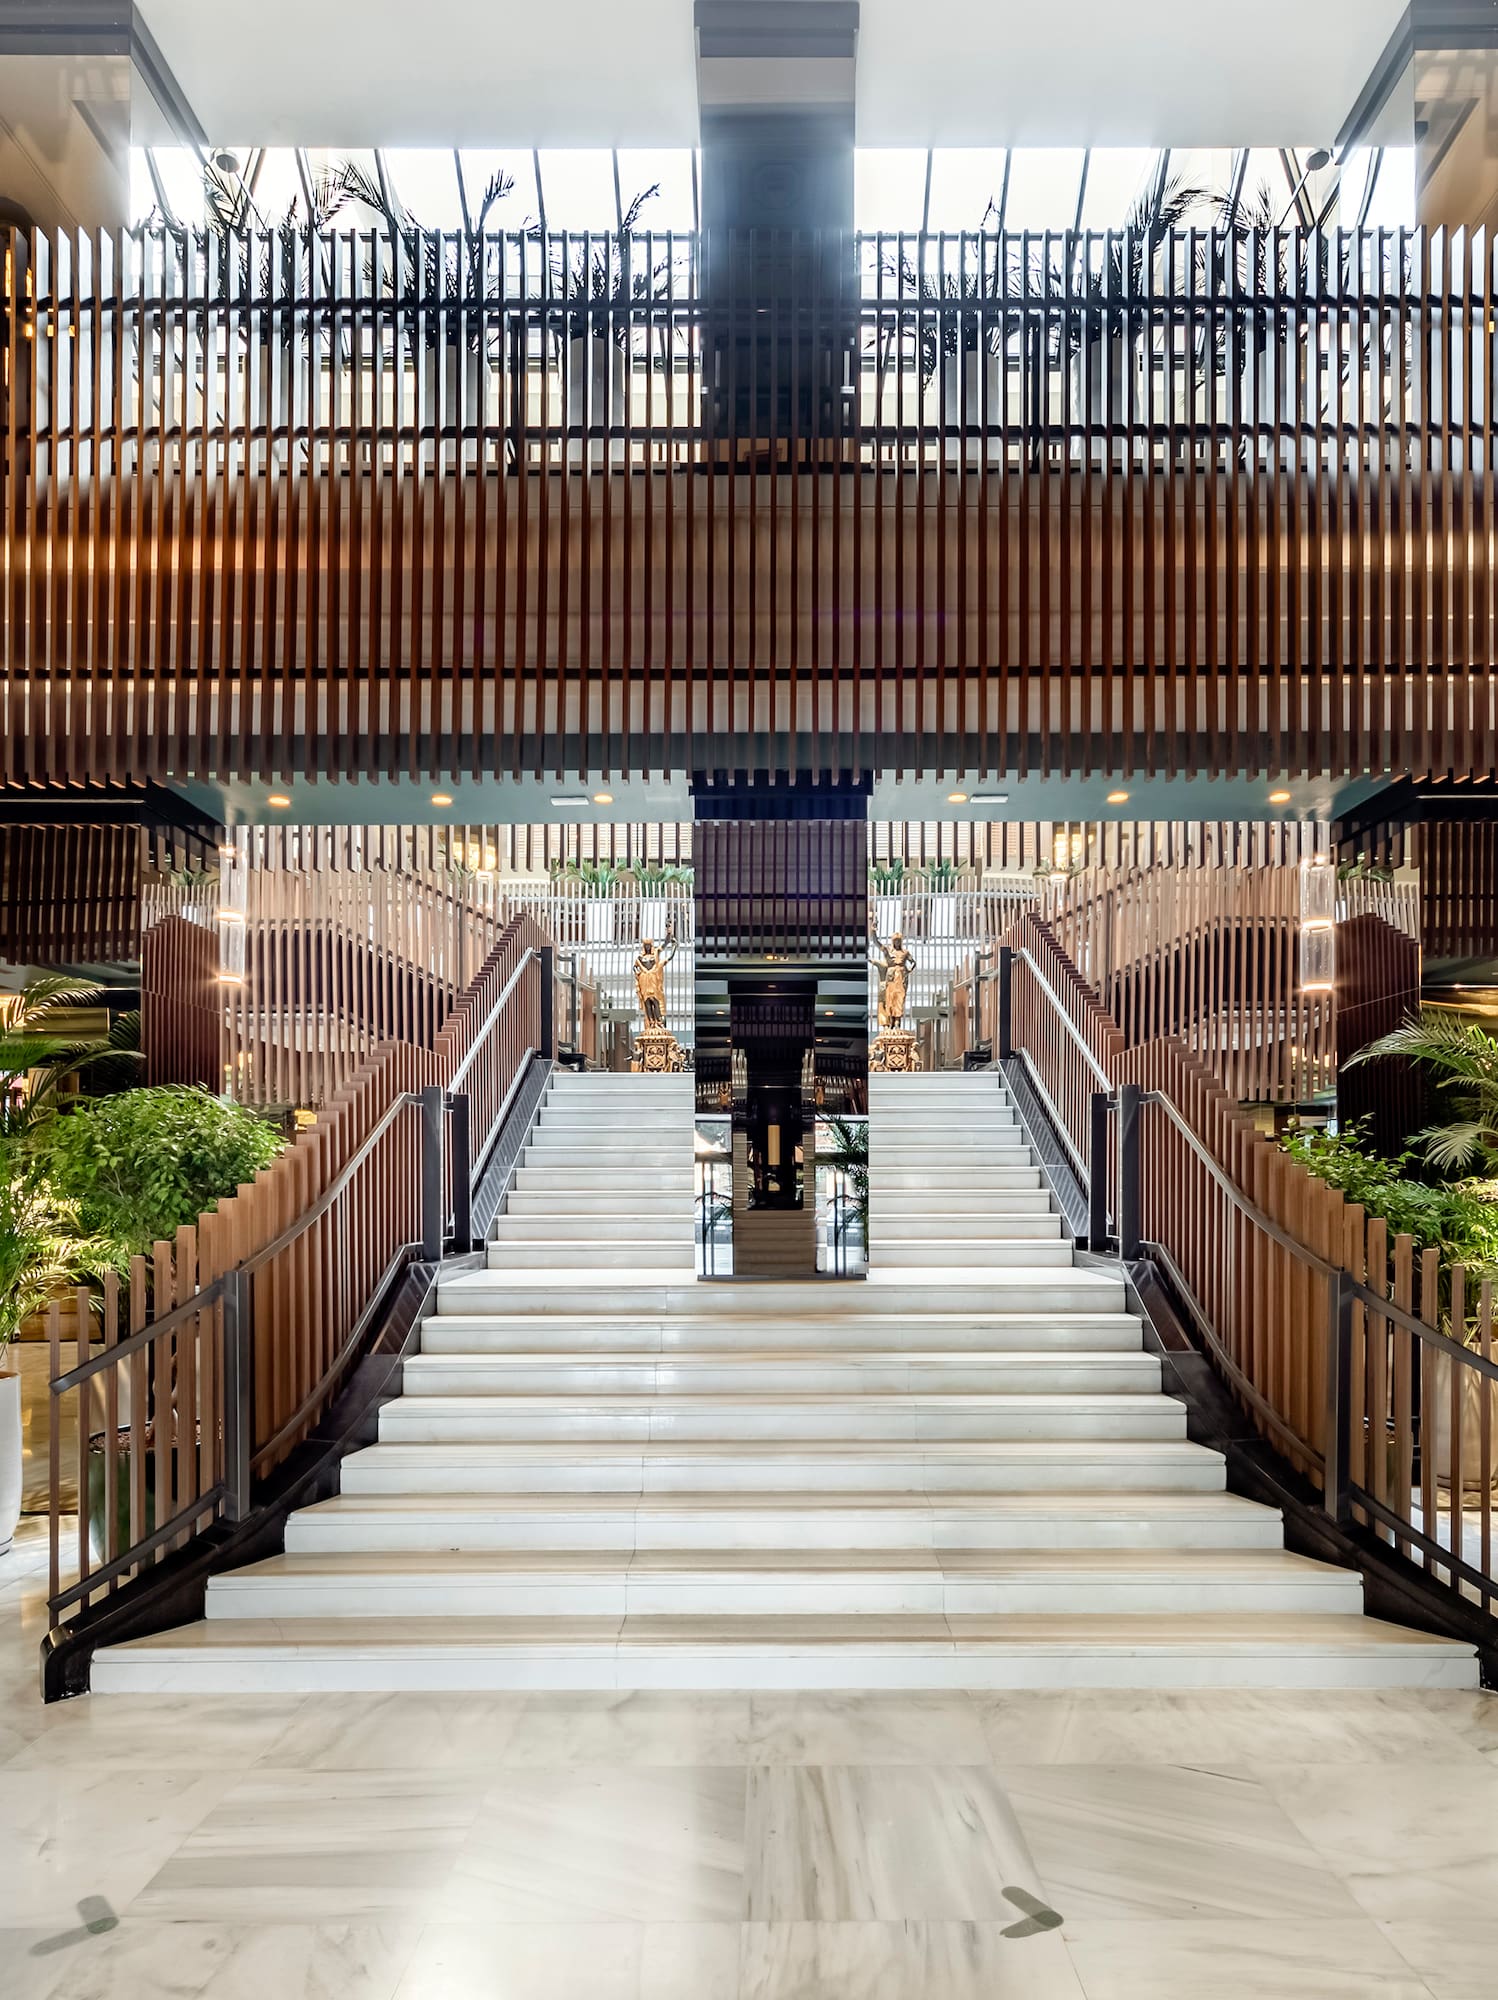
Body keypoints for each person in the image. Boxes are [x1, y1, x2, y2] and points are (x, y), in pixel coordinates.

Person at [633, 915, 678, 1030]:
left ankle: (659, 1022)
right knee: (647, 1001)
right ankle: (651, 1022)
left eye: (649, 945)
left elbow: (666, 943)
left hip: (653, 979)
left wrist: (669, 931)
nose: (648, 947)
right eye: (646, 945)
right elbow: (635, 968)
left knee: (655, 1000)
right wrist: (638, 973)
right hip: (644, 980)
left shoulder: (656, 953)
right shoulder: (639, 958)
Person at [869, 923, 915, 1032]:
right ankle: (890, 1022)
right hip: (891, 976)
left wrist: (909, 970)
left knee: (900, 999)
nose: (897, 942)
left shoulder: (905, 952)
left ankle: (897, 1022)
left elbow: (913, 962)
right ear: (893, 941)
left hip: (902, 977)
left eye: (899, 940)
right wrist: (873, 931)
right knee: (890, 998)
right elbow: (876, 943)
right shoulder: (888, 951)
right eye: (895, 940)